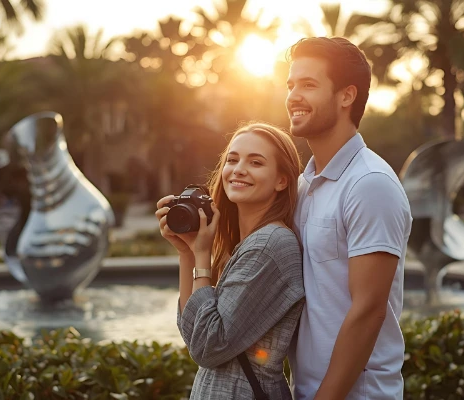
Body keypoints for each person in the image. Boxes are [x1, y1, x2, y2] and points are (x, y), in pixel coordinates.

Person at [284, 37, 413, 399]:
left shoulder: (370, 183)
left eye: (308, 85)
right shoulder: (304, 184)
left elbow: (368, 310)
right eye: (291, 85)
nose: (293, 95)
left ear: (346, 96)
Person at [155, 122, 305, 399]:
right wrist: (186, 253)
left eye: (256, 162)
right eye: (232, 160)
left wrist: (202, 255)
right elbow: (194, 332)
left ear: (282, 180)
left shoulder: (269, 245)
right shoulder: (246, 243)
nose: (238, 169)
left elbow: (208, 347)